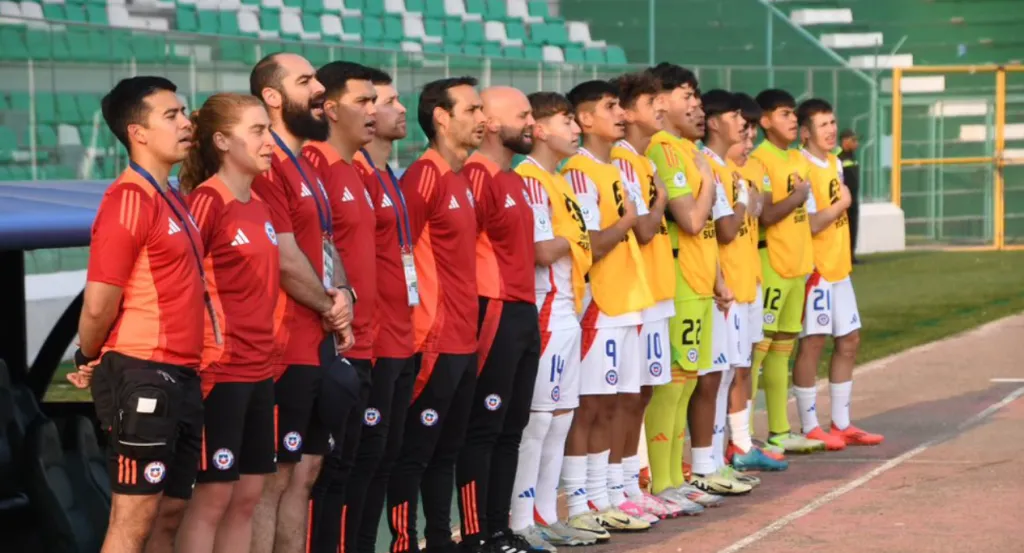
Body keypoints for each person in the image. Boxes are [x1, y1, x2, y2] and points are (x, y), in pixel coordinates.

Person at [67, 75, 204, 553]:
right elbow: (99, 303)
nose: (186, 123)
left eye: (183, 112)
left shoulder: (173, 197)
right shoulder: (128, 199)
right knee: (133, 519)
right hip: (144, 371)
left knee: (169, 515)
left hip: (183, 373)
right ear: (137, 132)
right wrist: (87, 354)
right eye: (172, 115)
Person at [248, 52, 356, 553]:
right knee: (273, 478)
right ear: (272, 96)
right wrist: (332, 307)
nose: (319, 90)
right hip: (283, 345)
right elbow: (285, 258)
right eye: (305, 81)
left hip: (316, 341)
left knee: (304, 474)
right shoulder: (266, 164)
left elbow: (326, 247)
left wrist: (346, 294)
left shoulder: (306, 164)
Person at [172, 93, 281, 553]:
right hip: (221, 373)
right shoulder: (206, 202)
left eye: (268, 129)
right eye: (257, 131)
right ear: (221, 141)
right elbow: (181, 285)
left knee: (248, 498)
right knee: (213, 499)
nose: (269, 141)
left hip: (261, 370)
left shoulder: (258, 203)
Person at [387, 76, 484, 553]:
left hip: (465, 336)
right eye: (472, 110)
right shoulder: (424, 175)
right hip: (434, 338)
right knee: (416, 452)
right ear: (442, 117)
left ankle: (441, 539)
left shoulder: (462, 177)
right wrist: (418, 325)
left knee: (448, 450)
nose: (482, 118)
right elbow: (398, 253)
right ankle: (405, 542)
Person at [559, 79, 652, 534]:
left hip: (627, 298)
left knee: (615, 401)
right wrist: (629, 220)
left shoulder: (615, 168)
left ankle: (611, 492)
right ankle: (582, 500)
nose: (621, 114)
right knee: (590, 404)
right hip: (600, 301)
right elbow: (590, 244)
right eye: (610, 107)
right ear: (585, 118)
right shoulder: (578, 172)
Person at [509, 91, 601, 547]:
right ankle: (520, 519)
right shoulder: (529, 179)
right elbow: (542, 250)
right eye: (567, 120)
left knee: (561, 418)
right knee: (538, 420)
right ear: (541, 130)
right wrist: (576, 236)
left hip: (568, 309)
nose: (576, 129)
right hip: (545, 309)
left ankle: (545, 512)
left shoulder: (559, 180)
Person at [644, 63, 737, 505]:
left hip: (699, 280)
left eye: (696, 96)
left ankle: (674, 480)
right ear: (660, 101)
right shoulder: (664, 150)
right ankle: (662, 482)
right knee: (674, 382)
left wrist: (717, 277)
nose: (696, 105)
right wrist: (710, 183)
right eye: (686, 95)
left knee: (687, 381)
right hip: (678, 280)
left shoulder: (686, 150)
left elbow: (705, 231)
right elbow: (693, 220)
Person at [457, 87, 544, 552]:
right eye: (523, 115)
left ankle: (498, 529)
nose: (532, 123)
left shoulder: (513, 178)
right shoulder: (477, 175)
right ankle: (476, 534)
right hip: (493, 310)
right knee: (485, 427)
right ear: (491, 123)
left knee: (512, 428)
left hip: (523, 310)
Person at [301, 61, 380, 553]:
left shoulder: (355, 169)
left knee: (349, 470)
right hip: (331, 344)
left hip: (365, 340)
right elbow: (315, 251)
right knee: (320, 473)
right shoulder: (316, 164)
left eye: (375, 100)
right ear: (330, 109)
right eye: (363, 101)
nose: (373, 110)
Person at [607, 71, 690, 520]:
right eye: (650, 103)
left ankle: (632, 484)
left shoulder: (641, 161)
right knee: (624, 395)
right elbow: (642, 228)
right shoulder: (622, 160)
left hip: (655, 290)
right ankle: (617, 486)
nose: (660, 109)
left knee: (642, 391)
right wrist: (659, 201)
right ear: (627, 111)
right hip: (631, 294)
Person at [346, 67, 418, 553]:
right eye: (381, 101)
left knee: (385, 457)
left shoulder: (388, 174)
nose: (395, 109)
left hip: (400, 335)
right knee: (358, 462)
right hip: (369, 342)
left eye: (387, 100)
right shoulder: (353, 173)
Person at [791, 99, 884, 448]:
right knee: (813, 342)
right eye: (823, 124)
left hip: (839, 267)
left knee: (849, 340)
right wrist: (842, 204)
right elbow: (810, 223)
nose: (831, 130)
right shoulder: (800, 166)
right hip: (815, 270)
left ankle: (842, 423)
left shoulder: (834, 162)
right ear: (805, 132)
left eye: (832, 122)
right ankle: (809, 425)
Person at [696, 89, 773, 487]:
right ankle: (711, 459)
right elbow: (727, 229)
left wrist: (746, 197)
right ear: (714, 123)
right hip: (722, 286)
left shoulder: (730, 168)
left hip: (743, 280)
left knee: (731, 371)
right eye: (737, 118)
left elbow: (756, 213)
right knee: (716, 375)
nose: (745, 127)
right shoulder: (710, 166)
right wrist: (744, 198)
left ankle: (731, 448)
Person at [748, 89, 824, 454]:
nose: (793, 119)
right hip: (772, 264)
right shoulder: (760, 159)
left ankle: (779, 430)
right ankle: (744, 436)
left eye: (793, 113)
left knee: (781, 351)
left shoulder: (797, 158)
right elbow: (765, 215)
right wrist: (796, 197)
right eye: (784, 114)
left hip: (798, 267)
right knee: (757, 355)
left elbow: (805, 215)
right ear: (765, 121)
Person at [723, 93, 789, 471]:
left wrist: (754, 199)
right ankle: (723, 447)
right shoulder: (717, 170)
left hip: (752, 278)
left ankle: (742, 441)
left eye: (751, 135)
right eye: (743, 133)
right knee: (726, 371)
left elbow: (759, 212)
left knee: (745, 365)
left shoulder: (754, 170)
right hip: (729, 284)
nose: (749, 141)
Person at [837, 129, 861, 264]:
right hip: (844, 200)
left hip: (854, 199)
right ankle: (844, 256)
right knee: (844, 228)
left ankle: (851, 255)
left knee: (853, 227)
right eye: (853, 140)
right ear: (845, 141)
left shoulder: (853, 157)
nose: (856, 143)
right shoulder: (839, 158)